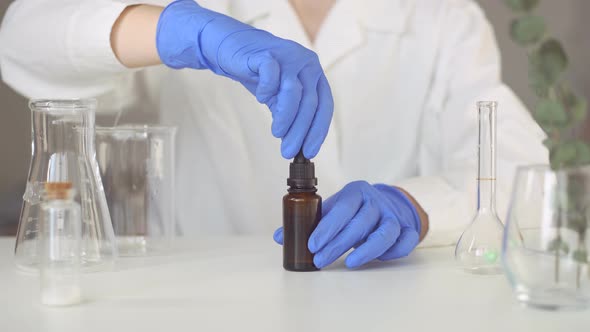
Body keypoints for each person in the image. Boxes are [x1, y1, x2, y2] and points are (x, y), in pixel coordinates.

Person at [0, 0, 546, 269]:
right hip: (197, 302)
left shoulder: (442, 15)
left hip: (379, 305)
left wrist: (417, 206)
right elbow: (22, 40)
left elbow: (524, 174)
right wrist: (172, 29)